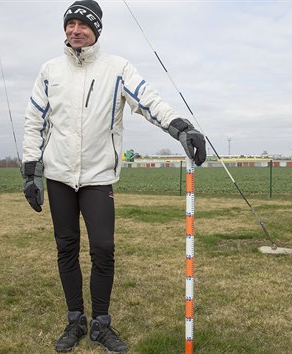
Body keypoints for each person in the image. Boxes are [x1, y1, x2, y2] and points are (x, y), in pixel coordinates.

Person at [21, 1, 206, 353]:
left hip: (98, 176)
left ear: (96, 30)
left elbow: (148, 101)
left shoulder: (117, 68)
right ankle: (75, 319)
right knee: (67, 247)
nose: (75, 30)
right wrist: (32, 171)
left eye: (82, 24)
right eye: (69, 24)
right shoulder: (49, 71)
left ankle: (101, 323)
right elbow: (35, 121)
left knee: (103, 249)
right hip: (59, 176)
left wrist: (181, 128)